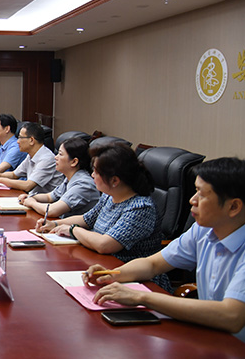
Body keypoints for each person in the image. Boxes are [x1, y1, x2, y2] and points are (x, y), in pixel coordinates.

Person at [84, 157, 245, 342]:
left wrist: (141, 297)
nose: (192, 200)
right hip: (210, 336)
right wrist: (111, 274)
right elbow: (152, 264)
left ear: (233, 206)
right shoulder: (203, 230)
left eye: (201, 194)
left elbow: (231, 316)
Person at [35, 143, 163, 267]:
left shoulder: (141, 208)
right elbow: (86, 219)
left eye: (96, 172)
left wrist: (72, 230)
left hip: (127, 273)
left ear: (114, 180)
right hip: (97, 262)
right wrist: (55, 224)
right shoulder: (109, 196)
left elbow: (104, 245)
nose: (92, 175)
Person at [18, 137, 99, 218]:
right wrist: (31, 197)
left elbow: (51, 211)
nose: (55, 157)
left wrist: (32, 203)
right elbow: (49, 197)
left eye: (60, 154)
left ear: (74, 162)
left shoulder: (83, 184)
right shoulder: (70, 178)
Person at [0, 122, 64, 194]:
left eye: (20, 138)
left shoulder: (46, 159)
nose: (17, 141)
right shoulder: (30, 155)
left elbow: (27, 185)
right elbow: (14, 175)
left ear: (31, 140)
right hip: (32, 198)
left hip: (46, 203)